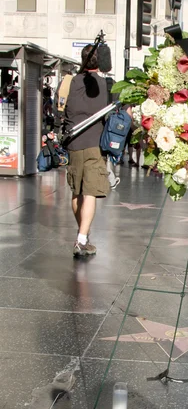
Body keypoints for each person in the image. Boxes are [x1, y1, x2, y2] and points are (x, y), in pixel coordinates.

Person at [64, 44, 110, 257]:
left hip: (74, 143)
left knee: (77, 191)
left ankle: (82, 234)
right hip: (93, 143)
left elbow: (66, 109)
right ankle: (81, 239)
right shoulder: (104, 84)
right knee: (89, 191)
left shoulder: (73, 82)